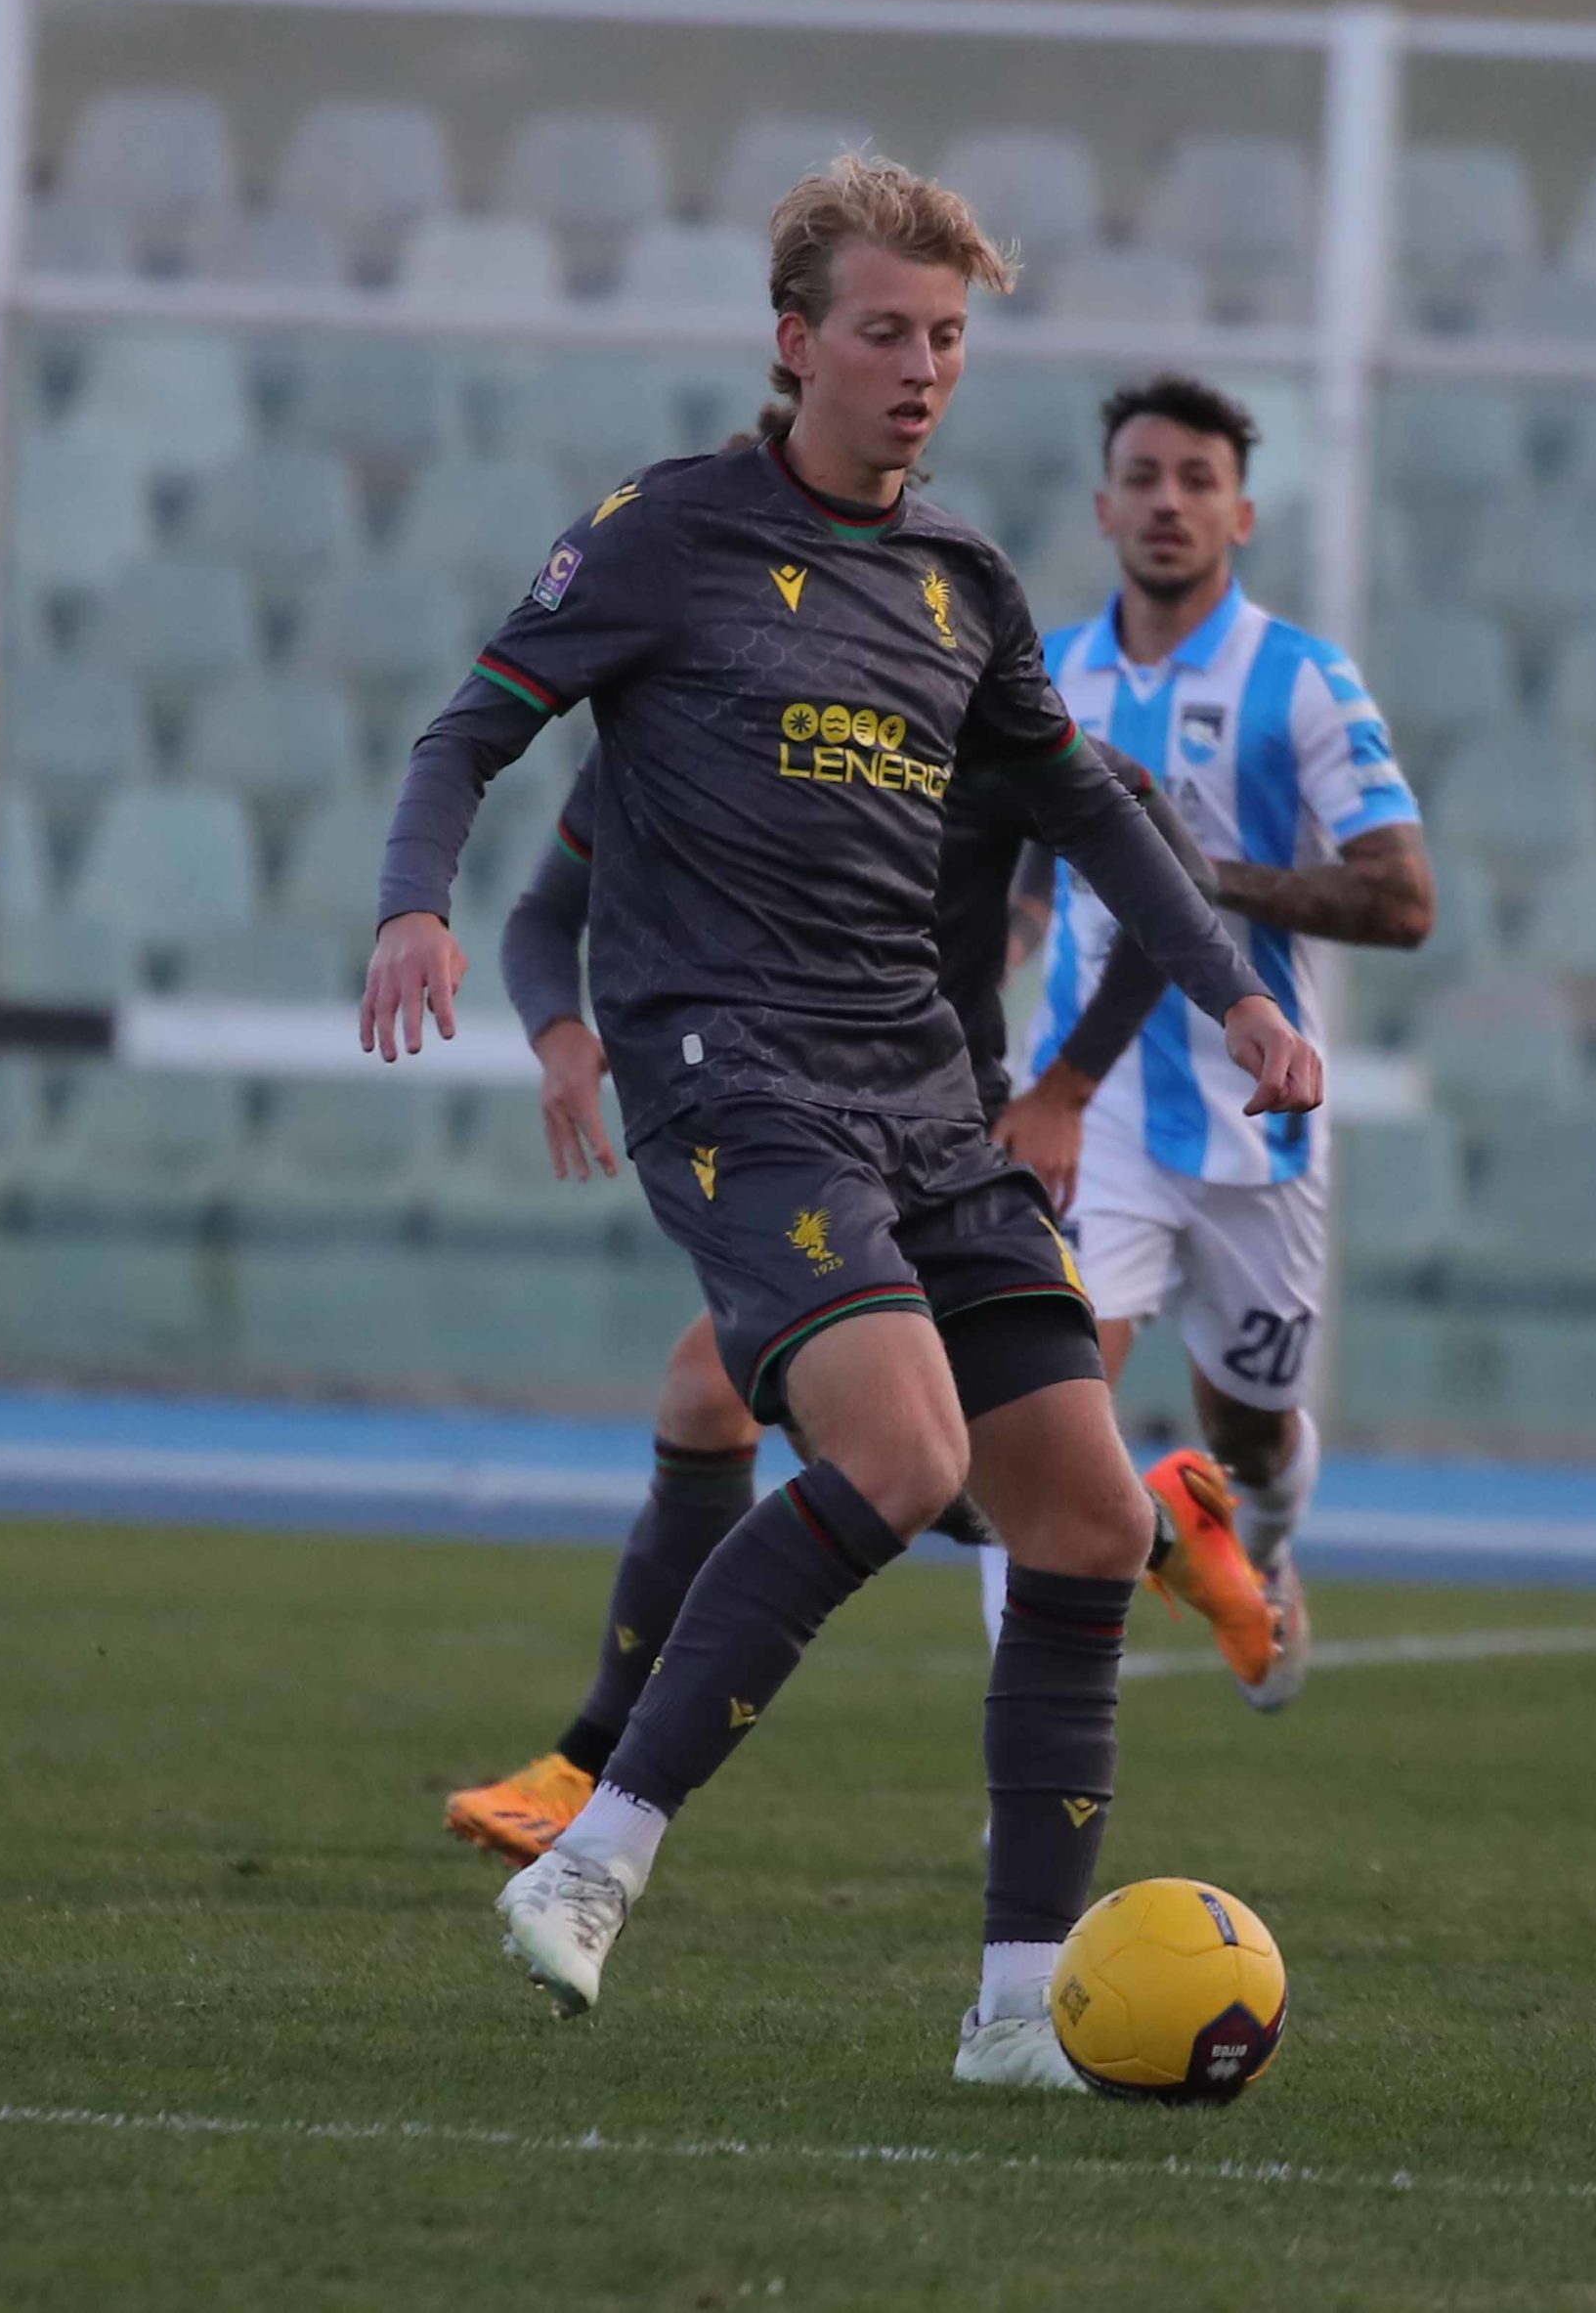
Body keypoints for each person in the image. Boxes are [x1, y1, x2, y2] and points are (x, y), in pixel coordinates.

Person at [361, 156, 1321, 2088]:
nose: (921, 368)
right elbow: (471, 729)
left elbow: (1091, 806)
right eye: (886, 332)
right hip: (735, 1075)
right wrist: (414, 906)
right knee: (898, 1452)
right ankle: (592, 1859)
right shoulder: (665, 533)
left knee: (1082, 1515)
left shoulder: (963, 584)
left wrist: (1230, 990)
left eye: (948, 338)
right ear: (794, 341)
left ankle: (1014, 2017)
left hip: (926, 1095)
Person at [441, 720, 1285, 1870]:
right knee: (747, 1408)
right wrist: (560, 1034)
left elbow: (1168, 868)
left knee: (871, 1448)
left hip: (933, 1145)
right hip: (784, 1136)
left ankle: (591, 1781)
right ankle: (1156, 1523)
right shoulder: (671, 727)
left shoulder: (947, 707)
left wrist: (1068, 1085)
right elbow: (544, 912)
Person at [988, 373, 1433, 1705]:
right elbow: (1024, 864)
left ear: (1241, 513)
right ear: (1103, 506)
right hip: (1087, 1101)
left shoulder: (1302, 679)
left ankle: (1264, 1543)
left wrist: (1184, 880)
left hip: (1254, 1112)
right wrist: (1001, 944)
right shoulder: (1046, 674)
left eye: (1197, 480)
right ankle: (1041, 1737)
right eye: (1143, 477)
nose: (1167, 502)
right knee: (1038, 1408)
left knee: (1249, 1427)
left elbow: (1404, 899)